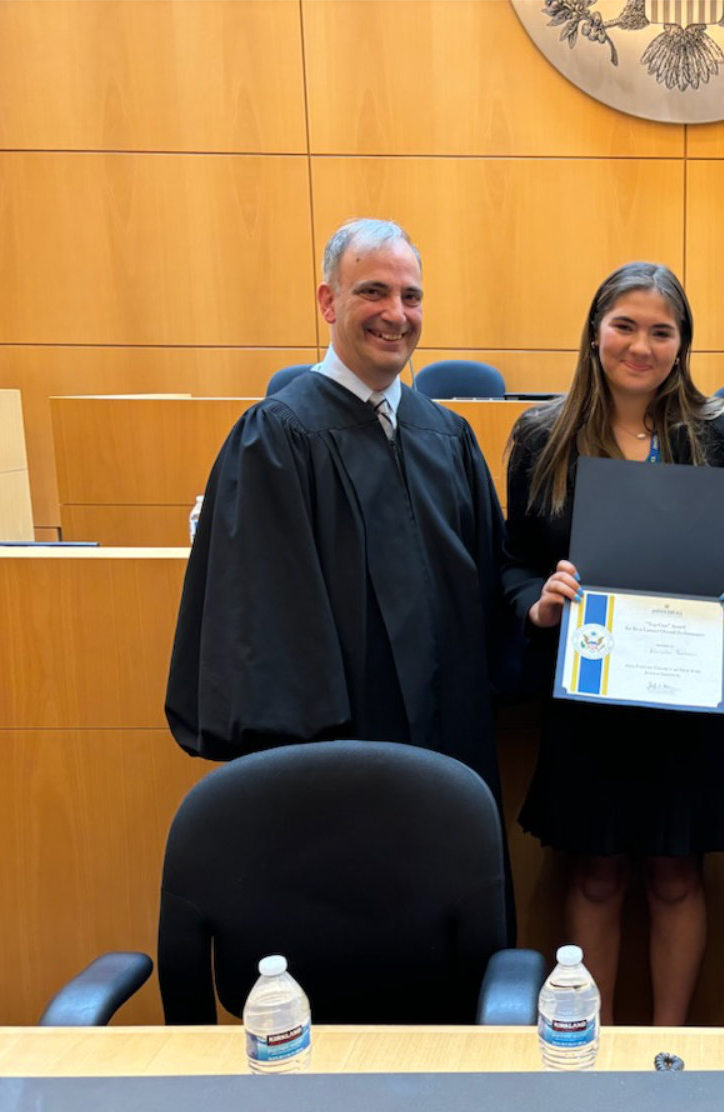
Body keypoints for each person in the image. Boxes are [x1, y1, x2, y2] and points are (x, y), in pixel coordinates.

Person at [166, 218, 515, 803]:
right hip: (336, 756)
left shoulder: (448, 436)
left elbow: (489, 589)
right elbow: (263, 623)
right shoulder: (276, 437)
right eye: (372, 292)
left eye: (411, 296)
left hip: (455, 747)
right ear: (328, 301)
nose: (396, 314)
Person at [503, 262, 724, 1026]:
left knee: (679, 876)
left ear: (682, 344)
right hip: (589, 693)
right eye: (625, 325)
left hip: (684, 688)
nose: (641, 346)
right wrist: (538, 606)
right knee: (597, 875)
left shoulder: (717, 431)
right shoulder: (541, 434)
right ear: (594, 331)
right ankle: (600, 1046)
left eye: (661, 331)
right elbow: (513, 559)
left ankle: (668, 1047)